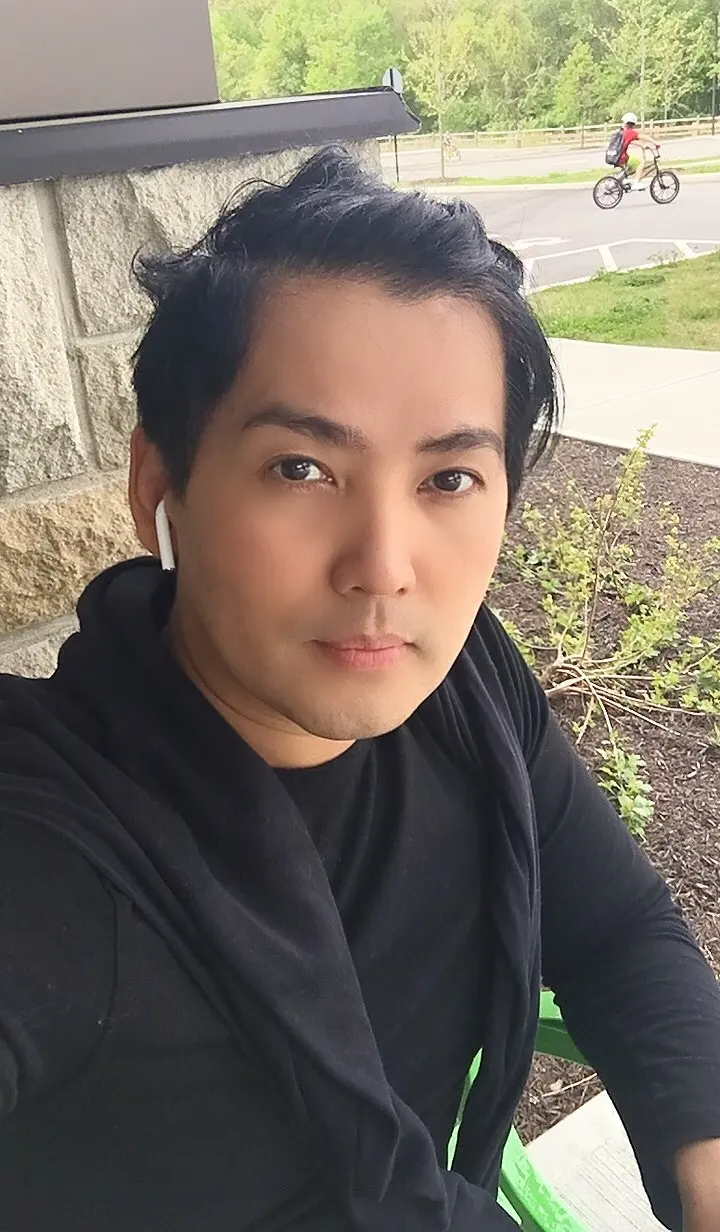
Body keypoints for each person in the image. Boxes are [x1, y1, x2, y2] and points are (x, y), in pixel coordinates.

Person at [0, 147, 719, 1232]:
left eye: (449, 478)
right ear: (160, 484)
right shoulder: (51, 850)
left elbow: (616, 927)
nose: (383, 566)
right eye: (302, 468)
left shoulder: (469, 694)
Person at [617, 111, 661, 190]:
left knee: (632, 164)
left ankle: (623, 179)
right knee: (640, 162)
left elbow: (630, 141)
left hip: (617, 156)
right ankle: (636, 183)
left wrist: (642, 145)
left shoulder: (623, 132)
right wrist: (655, 142)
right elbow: (644, 136)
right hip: (622, 157)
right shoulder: (630, 132)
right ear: (633, 123)